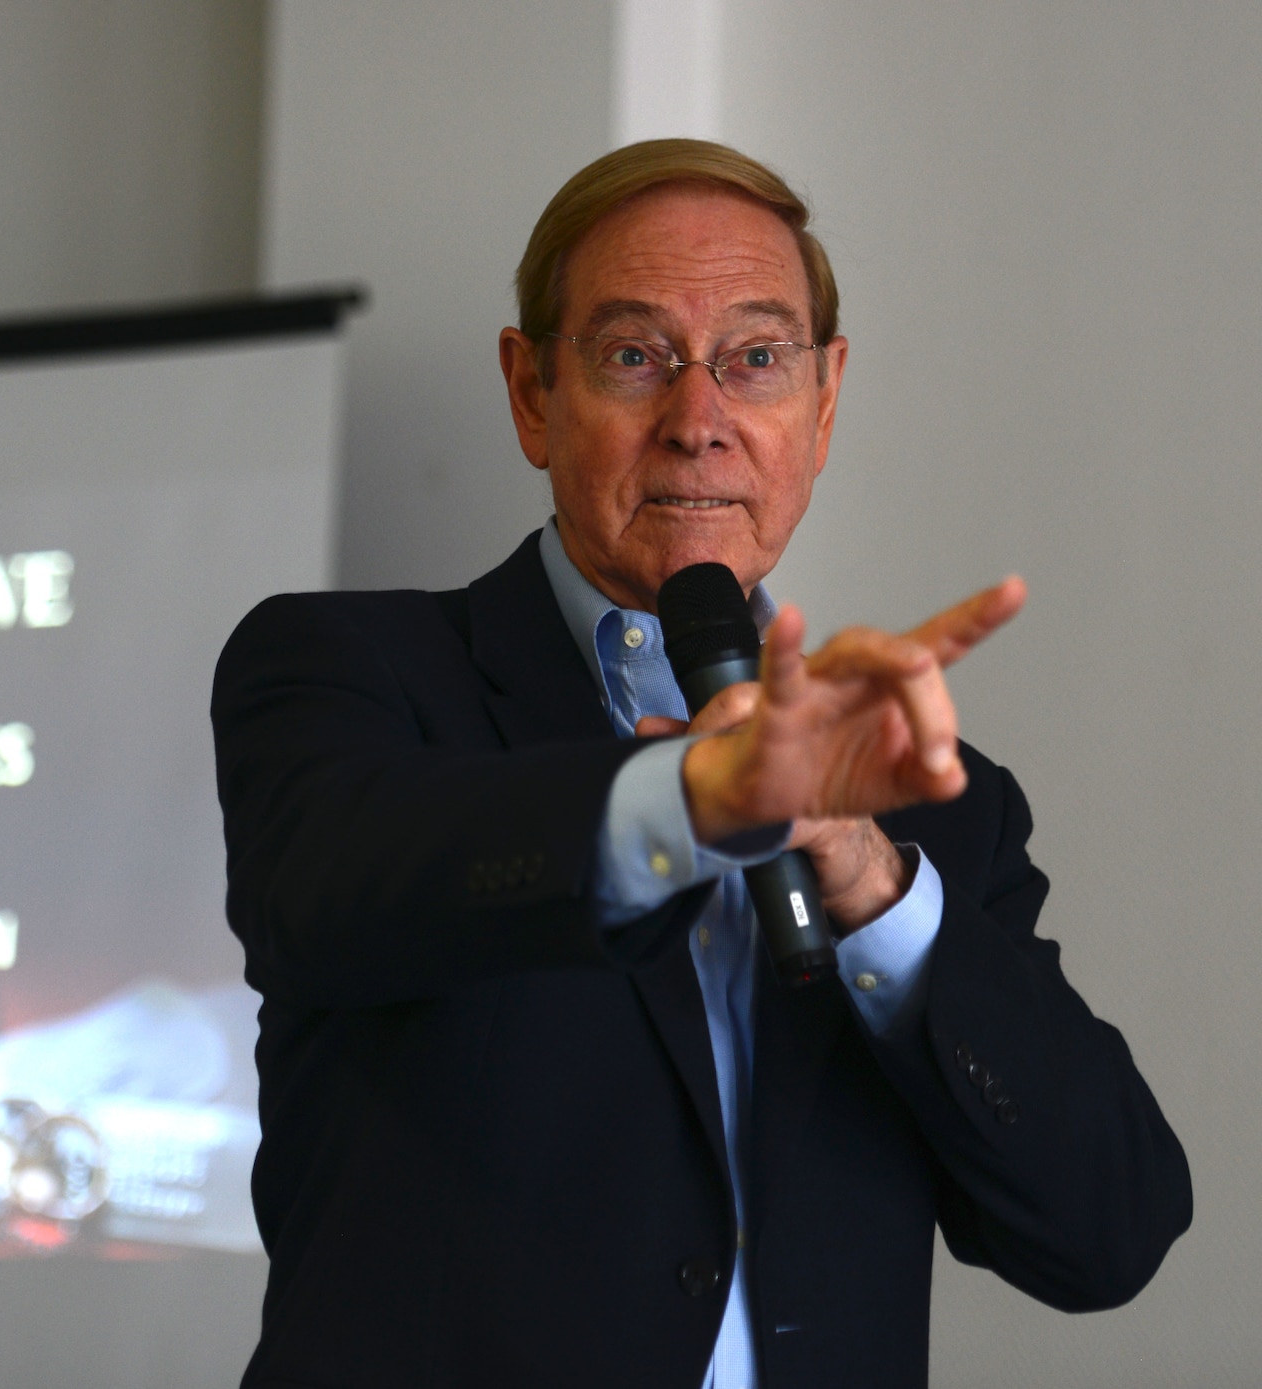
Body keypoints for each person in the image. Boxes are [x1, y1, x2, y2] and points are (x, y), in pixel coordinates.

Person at [211, 140, 1191, 1389]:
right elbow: (333, 891)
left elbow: (1105, 1234)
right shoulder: (347, 668)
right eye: (633, 356)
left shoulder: (938, 806)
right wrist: (684, 802)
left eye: (755, 359)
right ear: (529, 393)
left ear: (823, 402)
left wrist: (872, 884)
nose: (697, 423)